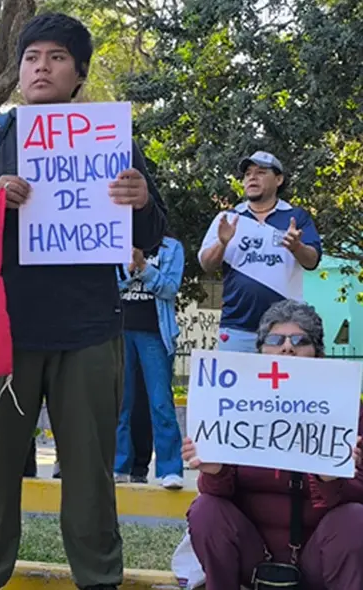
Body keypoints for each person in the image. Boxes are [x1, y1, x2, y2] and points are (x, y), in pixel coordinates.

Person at [0, 13, 167, 590]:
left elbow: (152, 235)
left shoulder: (114, 139)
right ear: (19, 70)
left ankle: (100, 579)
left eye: (57, 57)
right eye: (32, 57)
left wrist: (139, 200)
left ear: (79, 74)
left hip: (88, 331)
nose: (42, 67)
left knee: (89, 478)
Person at [184, 299, 363, 589]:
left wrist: (330, 480)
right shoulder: (232, 405)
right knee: (206, 509)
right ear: (260, 351)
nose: (287, 348)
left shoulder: (348, 410)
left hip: (318, 555)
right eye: (275, 340)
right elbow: (216, 495)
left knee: (354, 518)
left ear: (317, 353)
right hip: (254, 554)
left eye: (299, 340)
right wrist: (215, 471)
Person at [198, 151, 322, 353]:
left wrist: (296, 246)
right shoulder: (228, 218)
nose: (252, 177)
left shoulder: (296, 216)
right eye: (247, 173)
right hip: (237, 327)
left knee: (282, 385)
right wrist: (222, 243)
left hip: (285, 328)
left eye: (261, 172)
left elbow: (312, 261)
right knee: (239, 386)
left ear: (279, 179)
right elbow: (206, 264)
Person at [114, 236, 185, 490]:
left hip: (155, 334)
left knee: (160, 402)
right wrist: (128, 269)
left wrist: (143, 266)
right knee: (120, 402)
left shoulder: (171, 248)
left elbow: (169, 288)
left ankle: (170, 469)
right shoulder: (116, 239)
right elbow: (108, 286)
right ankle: (118, 466)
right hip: (119, 332)